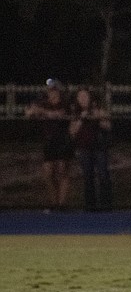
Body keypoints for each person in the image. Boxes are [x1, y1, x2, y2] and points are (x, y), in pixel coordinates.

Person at [24, 79, 74, 211]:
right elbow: (29, 113)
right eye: (50, 90)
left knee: (62, 170)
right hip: (49, 141)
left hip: (63, 140)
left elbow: (58, 114)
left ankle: (62, 203)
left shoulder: (65, 103)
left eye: (54, 90)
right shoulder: (43, 103)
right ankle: (53, 203)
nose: (52, 93)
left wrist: (42, 111)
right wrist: (35, 110)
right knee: (48, 172)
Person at [69, 87, 113, 211]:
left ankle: (106, 205)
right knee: (88, 177)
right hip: (84, 148)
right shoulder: (76, 114)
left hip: (99, 147)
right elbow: (72, 132)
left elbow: (108, 126)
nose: (83, 100)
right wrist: (81, 119)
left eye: (85, 97)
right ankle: (90, 206)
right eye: (80, 97)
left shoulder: (98, 110)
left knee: (103, 175)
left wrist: (98, 118)